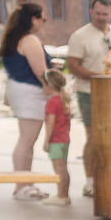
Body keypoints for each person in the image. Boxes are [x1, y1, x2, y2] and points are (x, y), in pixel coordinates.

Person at [64, 0, 111, 199]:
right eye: (98, 13)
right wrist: (98, 78)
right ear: (91, 11)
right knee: (94, 137)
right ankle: (90, 181)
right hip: (89, 91)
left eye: (105, 14)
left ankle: (110, 175)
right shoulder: (79, 36)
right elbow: (73, 66)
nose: (101, 17)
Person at [0, 2, 51, 201]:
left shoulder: (14, 39)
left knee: (27, 140)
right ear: (33, 19)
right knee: (27, 140)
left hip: (19, 89)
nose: (43, 23)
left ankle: (26, 183)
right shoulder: (30, 40)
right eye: (42, 19)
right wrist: (52, 92)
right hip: (30, 92)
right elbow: (41, 72)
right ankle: (21, 185)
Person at [42, 68, 74, 205]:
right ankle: (64, 195)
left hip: (56, 140)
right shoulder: (63, 100)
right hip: (65, 139)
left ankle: (61, 196)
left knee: (58, 168)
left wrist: (46, 140)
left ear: (49, 86)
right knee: (63, 167)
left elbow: (51, 123)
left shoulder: (52, 102)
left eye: (43, 85)